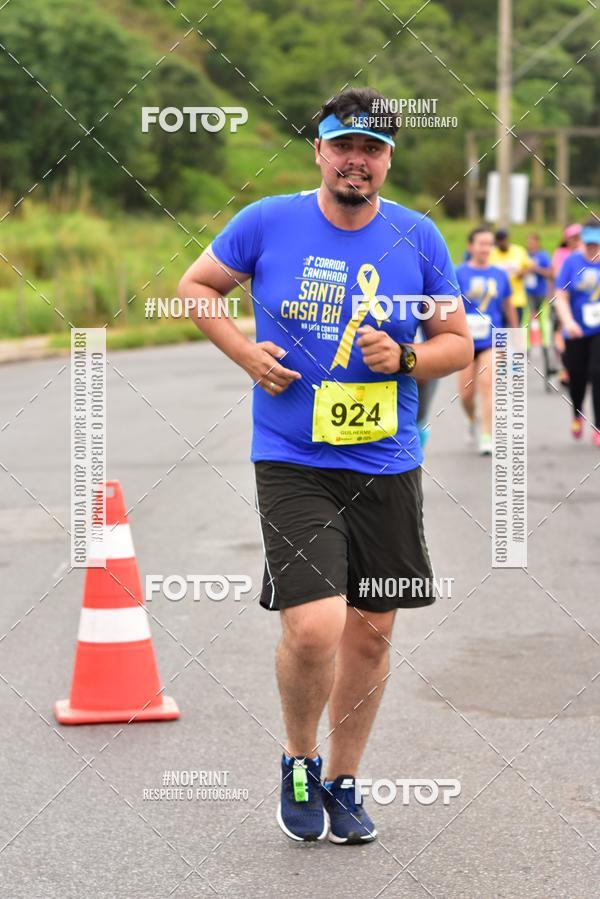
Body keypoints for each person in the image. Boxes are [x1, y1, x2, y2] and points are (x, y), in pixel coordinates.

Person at [178, 87, 473, 845]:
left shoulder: (417, 236)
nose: (356, 160)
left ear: (387, 161)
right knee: (314, 627)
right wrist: (246, 354)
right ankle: (300, 762)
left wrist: (405, 357)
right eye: (344, 145)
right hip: (293, 459)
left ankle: (343, 779)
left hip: (386, 463)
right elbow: (196, 288)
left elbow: (458, 344)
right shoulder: (267, 221)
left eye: (372, 149)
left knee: (371, 633)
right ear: (319, 150)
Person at [456, 226, 518, 454]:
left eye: (489, 244)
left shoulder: (500, 275)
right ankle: (472, 419)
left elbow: (508, 306)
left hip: (492, 339)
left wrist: (515, 336)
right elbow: (449, 306)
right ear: (471, 246)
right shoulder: (458, 273)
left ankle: (487, 435)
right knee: (465, 395)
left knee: (488, 384)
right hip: (465, 340)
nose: (485, 248)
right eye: (481, 243)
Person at [554, 218, 600, 445]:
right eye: (588, 243)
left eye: (596, 243)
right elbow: (561, 296)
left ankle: (598, 426)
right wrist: (568, 321)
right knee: (577, 376)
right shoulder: (572, 262)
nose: (592, 248)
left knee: (597, 373)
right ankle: (577, 413)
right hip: (576, 330)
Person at [552, 224, 583, 387]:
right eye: (573, 237)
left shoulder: (587, 252)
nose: (576, 240)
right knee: (561, 331)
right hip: (563, 300)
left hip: (582, 302)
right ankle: (566, 367)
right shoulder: (561, 253)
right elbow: (558, 277)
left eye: (579, 237)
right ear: (567, 239)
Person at [525, 232, 556, 386]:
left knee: (544, 326)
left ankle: (547, 355)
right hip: (527, 296)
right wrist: (525, 270)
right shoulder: (524, 255)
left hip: (542, 296)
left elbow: (550, 274)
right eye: (528, 241)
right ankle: (522, 355)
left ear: (537, 242)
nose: (530, 244)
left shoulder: (543, 256)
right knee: (524, 326)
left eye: (532, 241)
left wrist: (536, 269)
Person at [490, 228, 533, 325]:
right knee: (499, 332)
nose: (502, 242)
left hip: (517, 299)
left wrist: (522, 273)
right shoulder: (491, 253)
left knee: (514, 330)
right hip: (497, 300)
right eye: (500, 240)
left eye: (504, 240)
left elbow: (530, 266)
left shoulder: (518, 251)